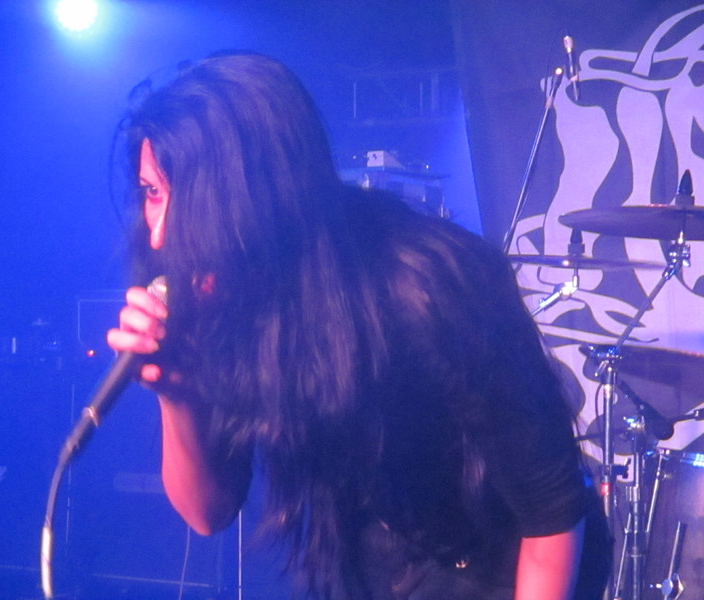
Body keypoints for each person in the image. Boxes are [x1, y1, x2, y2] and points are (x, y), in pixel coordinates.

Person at [106, 52, 612, 600]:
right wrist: (176, 392)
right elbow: (208, 513)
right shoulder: (224, 292)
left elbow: (550, 514)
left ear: (259, 199)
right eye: (153, 193)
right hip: (377, 557)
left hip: (503, 560)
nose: (161, 235)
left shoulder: (427, 287)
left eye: (190, 201)